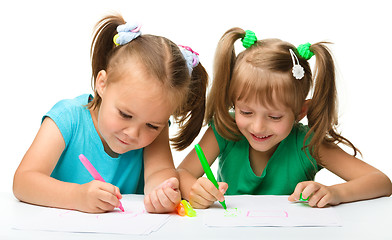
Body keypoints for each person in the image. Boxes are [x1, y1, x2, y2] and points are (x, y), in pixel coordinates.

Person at [13, 14, 208, 214]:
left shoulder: (157, 126)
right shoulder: (67, 119)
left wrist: (162, 193)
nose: (133, 133)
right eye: (125, 114)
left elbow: (160, 173)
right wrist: (77, 196)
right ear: (102, 84)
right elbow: (23, 181)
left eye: (152, 126)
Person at [177, 27, 392, 209]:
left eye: (274, 116)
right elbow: (182, 172)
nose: (258, 126)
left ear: (300, 112)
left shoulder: (307, 143)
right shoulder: (224, 131)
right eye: (246, 112)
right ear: (234, 101)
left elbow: (381, 182)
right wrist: (194, 190)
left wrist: (334, 193)